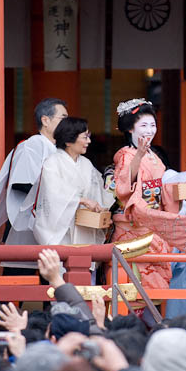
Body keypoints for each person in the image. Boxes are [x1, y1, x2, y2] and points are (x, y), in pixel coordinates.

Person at [110, 98, 186, 290]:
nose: (149, 130)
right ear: (130, 129)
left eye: (153, 125)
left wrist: (176, 191)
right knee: (140, 282)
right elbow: (124, 185)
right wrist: (138, 157)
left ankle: (170, 316)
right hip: (135, 228)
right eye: (143, 125)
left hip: (154, 225)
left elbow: (160, 186)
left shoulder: (153, 156)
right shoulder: (126, 154)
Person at [0, 98, 67, 275]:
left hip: (49, 224)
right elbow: (21, 184)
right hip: (26, 224)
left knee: (52, 281)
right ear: (45, 120)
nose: (66, 123)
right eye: (63, 118)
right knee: (17, 280)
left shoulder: (57, 149)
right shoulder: (32, 145)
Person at [27, 117, 114, 281]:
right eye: (84, 137)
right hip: (60, 231)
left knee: (85, 282)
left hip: (83, 228)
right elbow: (52, 194)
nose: (88, 141)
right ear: (68, 140)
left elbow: (98, 193)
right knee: (59, 283)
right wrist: (82, 200)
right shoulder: (52, 163)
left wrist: (102, 209)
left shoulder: (86, 164)